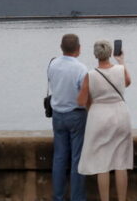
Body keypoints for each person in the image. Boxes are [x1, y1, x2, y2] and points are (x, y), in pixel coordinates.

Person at [77, 40, 133, 201]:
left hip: (99, 115)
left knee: (103, 163)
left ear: (96, 55)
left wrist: (91, 105)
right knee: (121, 162)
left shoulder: (90, 75)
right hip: (121, 114)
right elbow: (128, 82)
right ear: (110, 53)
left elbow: (81, 101)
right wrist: (121, 61)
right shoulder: (120, 70)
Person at [48, 34, 89, 201]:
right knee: (77, 159)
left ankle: (57, 197)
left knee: (59, 158)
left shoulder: (52, 65)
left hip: (57, 115)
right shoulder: (81, 69)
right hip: (76, 115)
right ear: (78, 49)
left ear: (61, 48)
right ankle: (77, 198)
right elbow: (84, 95)